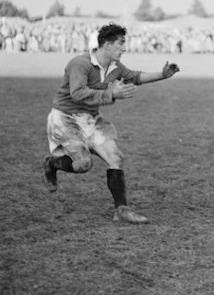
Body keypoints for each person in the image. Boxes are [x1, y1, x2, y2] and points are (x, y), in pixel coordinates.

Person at [43, 23, 180, 224]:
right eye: (120, 44)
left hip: (90, 118)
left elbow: (134, 77)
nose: (124, 49)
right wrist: (111, 93)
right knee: (83, 164)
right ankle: (51, 163)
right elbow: (77, 93)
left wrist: (163, 75)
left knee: (116, 158)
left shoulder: (115, 67)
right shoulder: (80, 64)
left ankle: (121, 210)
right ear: (106, 44)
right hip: (66, 118)